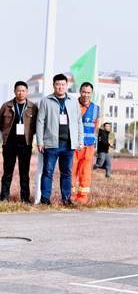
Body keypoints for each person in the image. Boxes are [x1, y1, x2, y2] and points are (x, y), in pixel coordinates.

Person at [36, 74, 83, 206]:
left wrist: (80, 139)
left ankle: (66, 199)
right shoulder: (46, 101)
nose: (60, 87)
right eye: (58, 84)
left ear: (66, 86)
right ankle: (45, 199)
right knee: (48, 171)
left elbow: (79, 121)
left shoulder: (73, 101)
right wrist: (40, 141)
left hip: (69, 143)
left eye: (63, 84)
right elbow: (40, 122)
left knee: (67, 172)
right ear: (54, 85)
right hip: (51, 143)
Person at [0, 81, 38, 202]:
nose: (20, 93)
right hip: (9, 144)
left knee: (24, 173)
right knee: (7, 173)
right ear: (14, 91)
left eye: (23, 90)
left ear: (27, 92)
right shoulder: (6, 106)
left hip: (25, 145)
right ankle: (4, 198)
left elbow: (36, 126)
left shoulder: (33, 107)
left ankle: (25, 199)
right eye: (18, 90)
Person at [71, 82, 100, 204]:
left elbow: (96, 128)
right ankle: (69, 197)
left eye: (88, 92)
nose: (86, 94)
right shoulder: (72, 105)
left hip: (88, 146)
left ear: (91, 93)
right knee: (70, 171)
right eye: (84, 92)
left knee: (85, 172)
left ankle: (82, 198)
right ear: (80, 92)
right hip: (73, 145)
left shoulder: (96, 109)